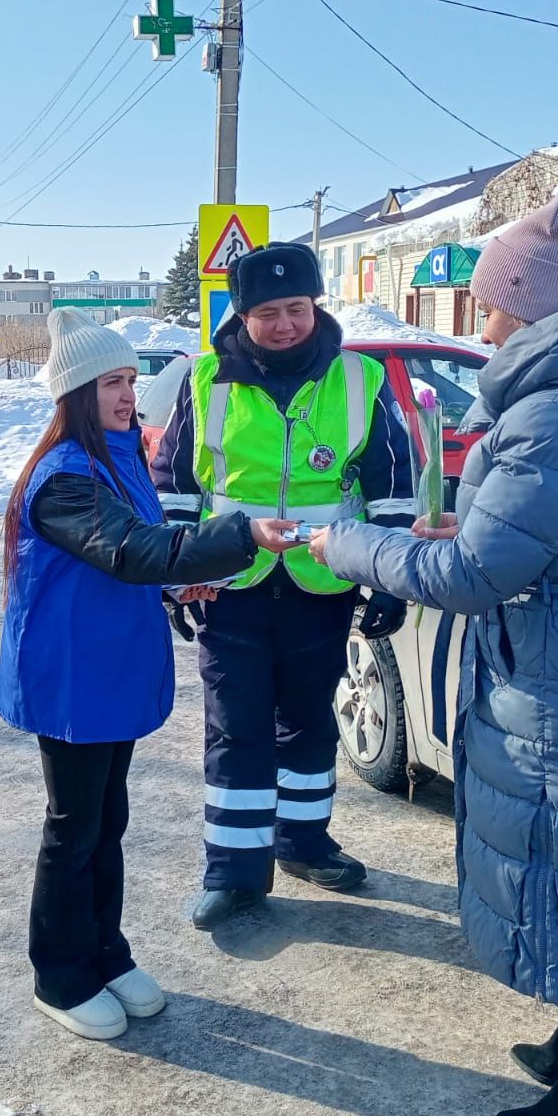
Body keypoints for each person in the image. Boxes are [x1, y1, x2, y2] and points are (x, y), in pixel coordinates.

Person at [310, 190, 558, 1116]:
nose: (481, 322)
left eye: (489, 303)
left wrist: (351, 546)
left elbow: (476, 574)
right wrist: (473, 523)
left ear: (526, 304)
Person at [0, 309, 298, 1039]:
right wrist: (237, 535)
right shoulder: (64, 476)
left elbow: (142, 552)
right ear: (74, 393)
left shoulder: (120, 454)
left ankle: (106, 953)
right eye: (111, 383)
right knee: (74, 828)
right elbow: (128, 549)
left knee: (108, 821)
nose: (128, 394)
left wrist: (175, 584)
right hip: (72, 679)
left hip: (114, 669)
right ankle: (59, 975)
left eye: (131, 380)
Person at [151, 242, 415, 930]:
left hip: (322, 579)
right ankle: (234, 870)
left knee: (308, 717)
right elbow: (177, 486)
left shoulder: (360, 379)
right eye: (267, 312)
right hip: (232, 582)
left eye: (296, 308)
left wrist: (389, 579)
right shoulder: (204, 379)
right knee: (235, 725)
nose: (285, 324)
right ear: (242, 314)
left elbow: (390, 484)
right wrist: (178, 571)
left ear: (315, 305)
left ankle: (303, 841)